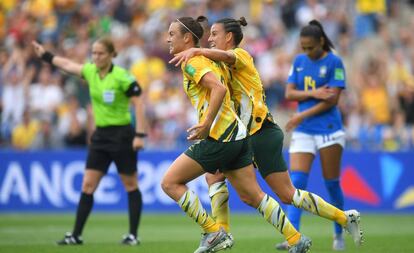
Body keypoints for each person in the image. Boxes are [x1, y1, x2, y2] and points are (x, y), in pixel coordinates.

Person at [169, 17, 363, 251]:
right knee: (222, 180)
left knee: (287, 194)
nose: (210, 39)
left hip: (260, 132)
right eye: (208, 35)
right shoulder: (215, 62)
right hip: (243, 134)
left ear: (229, 37)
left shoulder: (240, 55)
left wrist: (195, 49)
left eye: (215, 34)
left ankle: (342, 218)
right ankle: (226, 234)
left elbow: (225, 63)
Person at [32, 37, 147, 246]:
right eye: (93, 53)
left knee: (130, 185)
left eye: (100, 53)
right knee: (87, 185)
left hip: (122, 135)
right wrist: (45, 55)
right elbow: (67, 65)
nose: (95, 57)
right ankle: (76, 235)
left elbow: (139, 104)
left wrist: (140, 135)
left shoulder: (123, 77)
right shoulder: (90, 71)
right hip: (101, 136)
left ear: (112, 55)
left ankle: (133, 235)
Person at [277, 19, 355, 251]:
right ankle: (293, 238)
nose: (307, 52)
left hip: (329, 129)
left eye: (311, 47)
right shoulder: (299, 62)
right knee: (297, 184)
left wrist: (302, 113)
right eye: (304, 47)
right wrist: (314, 92)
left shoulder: (334, 61)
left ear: (321, 41)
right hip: (303, 132)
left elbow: (332, 99)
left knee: (331, 184)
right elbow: (289, 93)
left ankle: (338, 234)